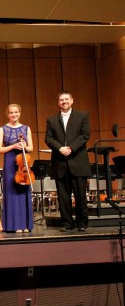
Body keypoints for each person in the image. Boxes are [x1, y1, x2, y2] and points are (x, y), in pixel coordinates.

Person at [45, 91, 91, 232]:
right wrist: (60, 148)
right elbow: (48, 138)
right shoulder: (51, 119)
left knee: (80, 195)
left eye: (66, 99)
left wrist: (70, 148)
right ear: (58, 103)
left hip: (78, 161)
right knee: (63, 197)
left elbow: (85, 135)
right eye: (61, 100)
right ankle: (67, 223)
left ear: (72, 100)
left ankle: (82, 223)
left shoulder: (82, 116)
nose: (64, 102)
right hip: (60, 162)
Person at [0, 104, 34, 233]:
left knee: (23, 191)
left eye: (16, 112)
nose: (14, 115)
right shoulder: (2, 129)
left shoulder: (26, 128)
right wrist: (13, 146)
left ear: (20, 113)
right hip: (10, 163)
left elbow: (31, 148)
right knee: (11, 192)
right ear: (8, 114)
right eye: (11, 113)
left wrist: (24, 145)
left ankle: (25, 224)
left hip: (22, 163)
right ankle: (13, 225)